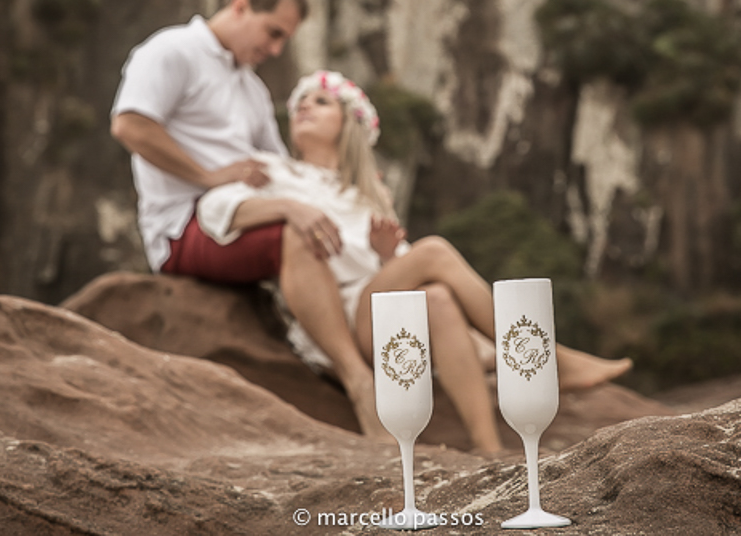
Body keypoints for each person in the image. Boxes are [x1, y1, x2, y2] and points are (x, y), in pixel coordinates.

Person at [195, 69, 633, 453]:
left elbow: (404, 269)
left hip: (380, 315)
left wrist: (387, 256)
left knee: (438, 297)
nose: (304, 106)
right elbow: (213, 209)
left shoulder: (367, 194)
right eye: (301, 102)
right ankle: (545, 357)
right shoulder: (275, 171)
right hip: (335, 321)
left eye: (321, 101)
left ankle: (490, 448)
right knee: (435, 250)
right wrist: (288, 208)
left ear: (348, 123)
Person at [109, 0, 386, 439]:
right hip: (185, 226)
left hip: (245, 216)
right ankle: (358, 381)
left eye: (284, 40)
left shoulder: (252, 89)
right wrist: (209, 176)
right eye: (273, 33)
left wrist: (350, 186)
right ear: (240, 6)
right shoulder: (172, 50)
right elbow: (129, 125)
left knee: (312, 225)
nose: (275, 49)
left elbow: (281, 172)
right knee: (294, 235)